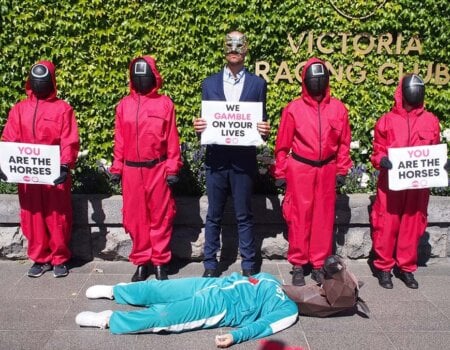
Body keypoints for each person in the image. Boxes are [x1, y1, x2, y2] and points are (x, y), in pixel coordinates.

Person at [75, 255, 366, 348]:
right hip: (213, 284)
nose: (316, 286)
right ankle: (117, 292)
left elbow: (262, 328)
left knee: (165, 317)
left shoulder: (288, 311)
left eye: (321, 289)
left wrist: (235, 336)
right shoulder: (273, 280)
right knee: (159, 289)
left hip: (219, 308)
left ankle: (109, 320)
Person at [193, 30, 270, 278]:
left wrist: (264, 130)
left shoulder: (258, 84)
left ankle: (248, 263)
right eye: (230, 45)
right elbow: (207, 123)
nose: (234, 49)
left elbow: (261, 125)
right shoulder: (209, 84)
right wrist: (200, 128)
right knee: (213, 213)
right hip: (216, 159)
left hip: (243, 159)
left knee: (244, 214)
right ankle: (210, 264)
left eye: (239, 45)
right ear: (224, 49)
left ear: (246, 49)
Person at [273, 57, 352, 286]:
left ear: (327, 80)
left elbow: (344, 143)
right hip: (301, 168)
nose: (316, 83)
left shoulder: (338, 109)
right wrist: (280, 172)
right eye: (312, 79)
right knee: (299, 216)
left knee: (323, 219)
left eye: (321, 79)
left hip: (326, 168)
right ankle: (298, 263)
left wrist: (342, 168)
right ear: (305, 81)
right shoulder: (293, 109)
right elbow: (282, 145)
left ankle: (318, 264)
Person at [0, 60, 79, 278]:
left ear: (51, 82)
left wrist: (65, 165)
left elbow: (69, 140)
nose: (39, 85)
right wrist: (4, 163)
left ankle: (60, 258)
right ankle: (40, 258)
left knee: (58, 217)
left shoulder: (63, 109)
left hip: (54, 175)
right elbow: (9, 138)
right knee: (32, 217)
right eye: (36, 81)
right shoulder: (19, 109)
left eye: (43, 81)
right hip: (28, 177)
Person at [109, 55, 182, 282]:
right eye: (137, 76)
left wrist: (172, 168)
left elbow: (172, 139)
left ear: (154, 77)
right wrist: (116, 168)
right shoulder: (124, 105)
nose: (141, 80)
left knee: (161, 216)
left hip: (157, 168)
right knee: (135, 218)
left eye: (145, 76)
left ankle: (160, 261)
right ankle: (141, 261)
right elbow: (119, 140)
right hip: (131, 171)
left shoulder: (165, 104)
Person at [370, 74, 442, 289]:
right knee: (386, 224)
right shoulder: (386, 120)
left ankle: (406, 268)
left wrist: (441, 164)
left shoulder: (431, 120)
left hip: (418, 186)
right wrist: (381, 159)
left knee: (412, 225)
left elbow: (434, 150)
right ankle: (384, 268)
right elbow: (377, 151)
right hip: (391, 184)